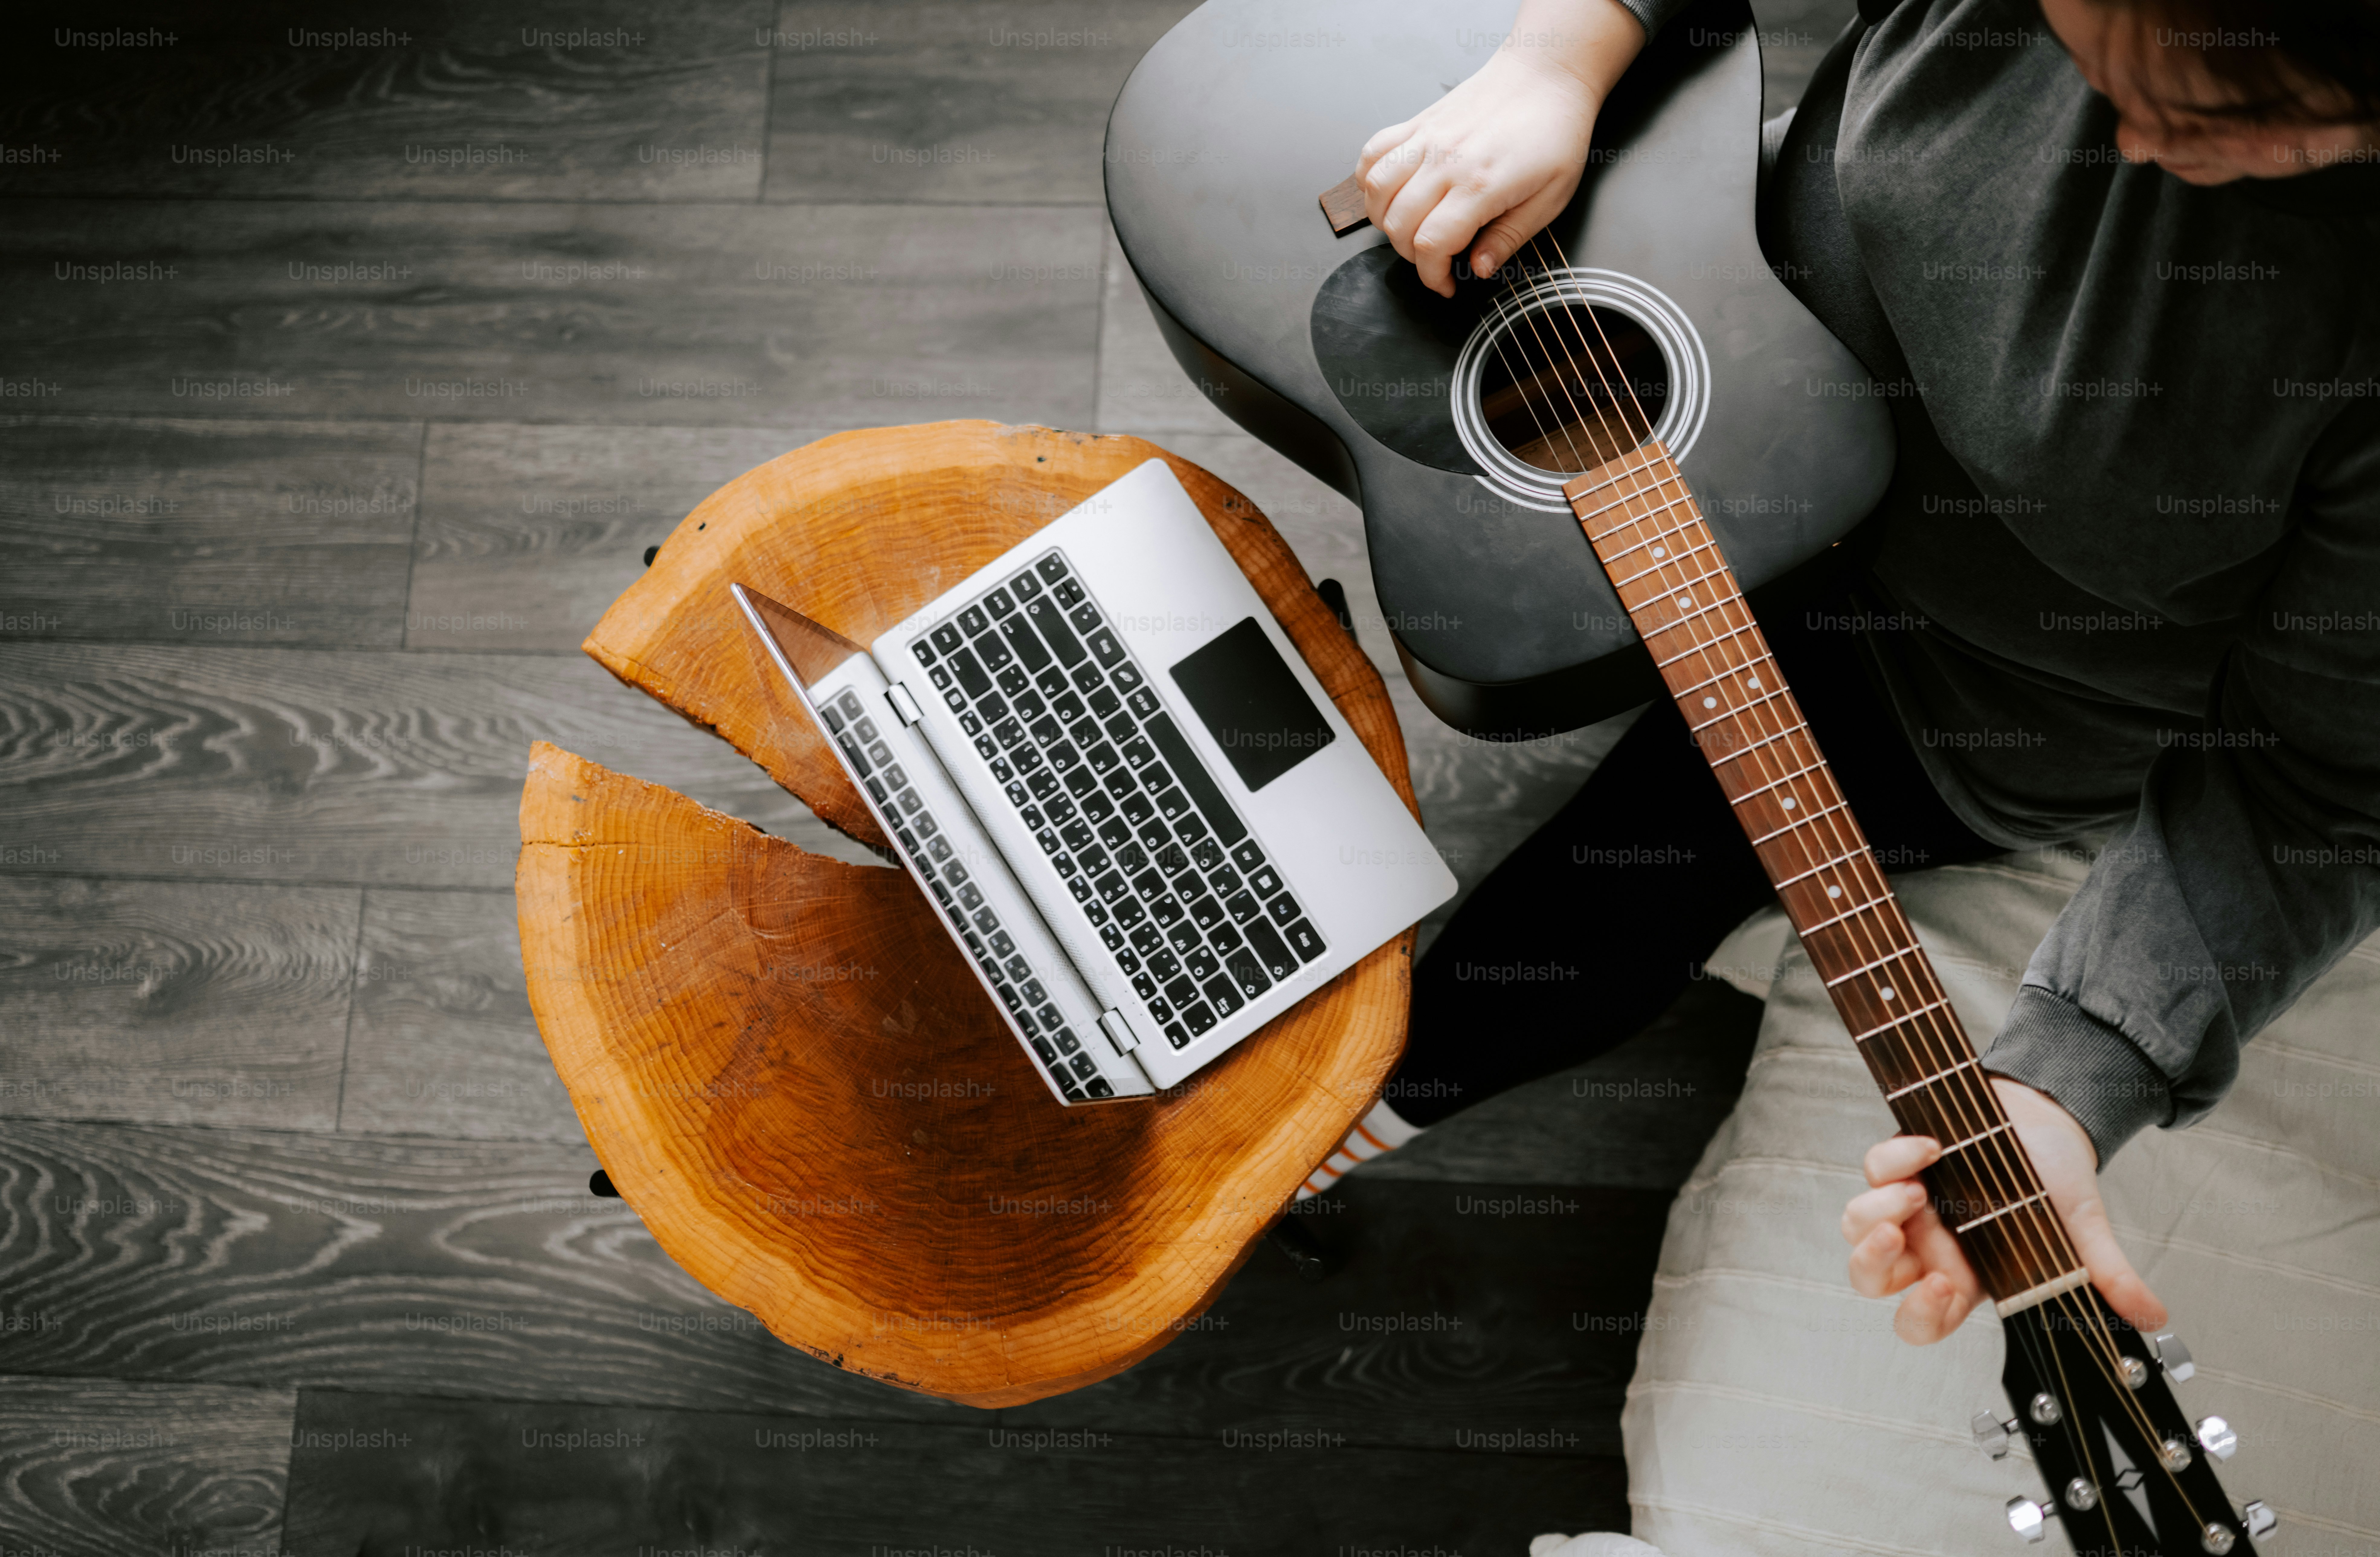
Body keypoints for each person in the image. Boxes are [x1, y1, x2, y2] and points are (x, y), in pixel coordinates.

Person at [1296, 0, 2380, 1347]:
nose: (2109, 136)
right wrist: (1552, 63)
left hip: (1956, 683)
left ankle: (1349, 1118)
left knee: (1636, 871)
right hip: (1733, 316)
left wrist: (2074, 1073)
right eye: (2070, 43)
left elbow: (2319, 788)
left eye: (2217, 124)